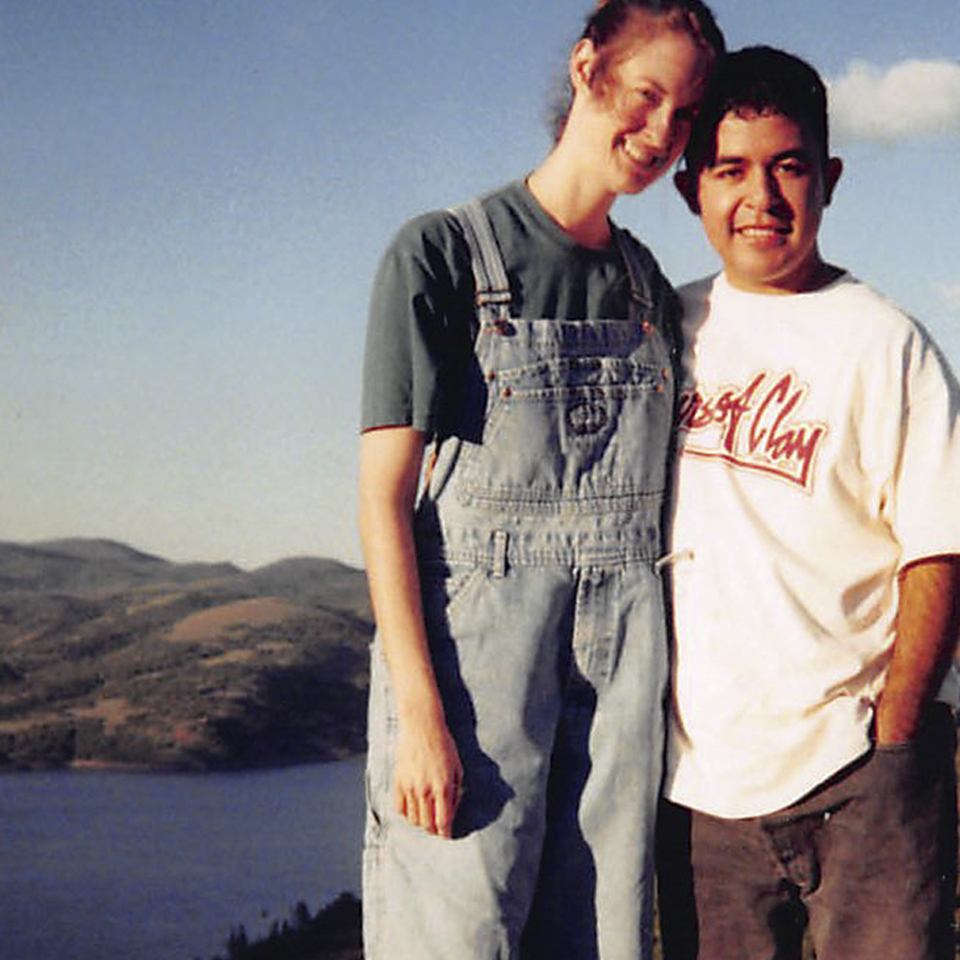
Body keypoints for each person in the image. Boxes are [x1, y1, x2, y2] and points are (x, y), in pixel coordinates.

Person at [358, 3, 724, 958]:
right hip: (474, 686)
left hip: (617, 687)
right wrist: (420, 723)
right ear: (585, 67)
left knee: (601, 939)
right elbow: (383, 502)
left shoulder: (649, 289)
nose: (659, 135)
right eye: (647, 97)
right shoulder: (441, 255)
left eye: (684, 116)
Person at [656, 45, 960, 960]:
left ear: (827, 178)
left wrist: (895, 737)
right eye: (732, 170)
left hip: (860, 782)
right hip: (702, 794)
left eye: (789, 167)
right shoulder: (663, 333)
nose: (763, 198)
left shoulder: (886, 343)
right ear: (690, 188)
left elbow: (940, 548)